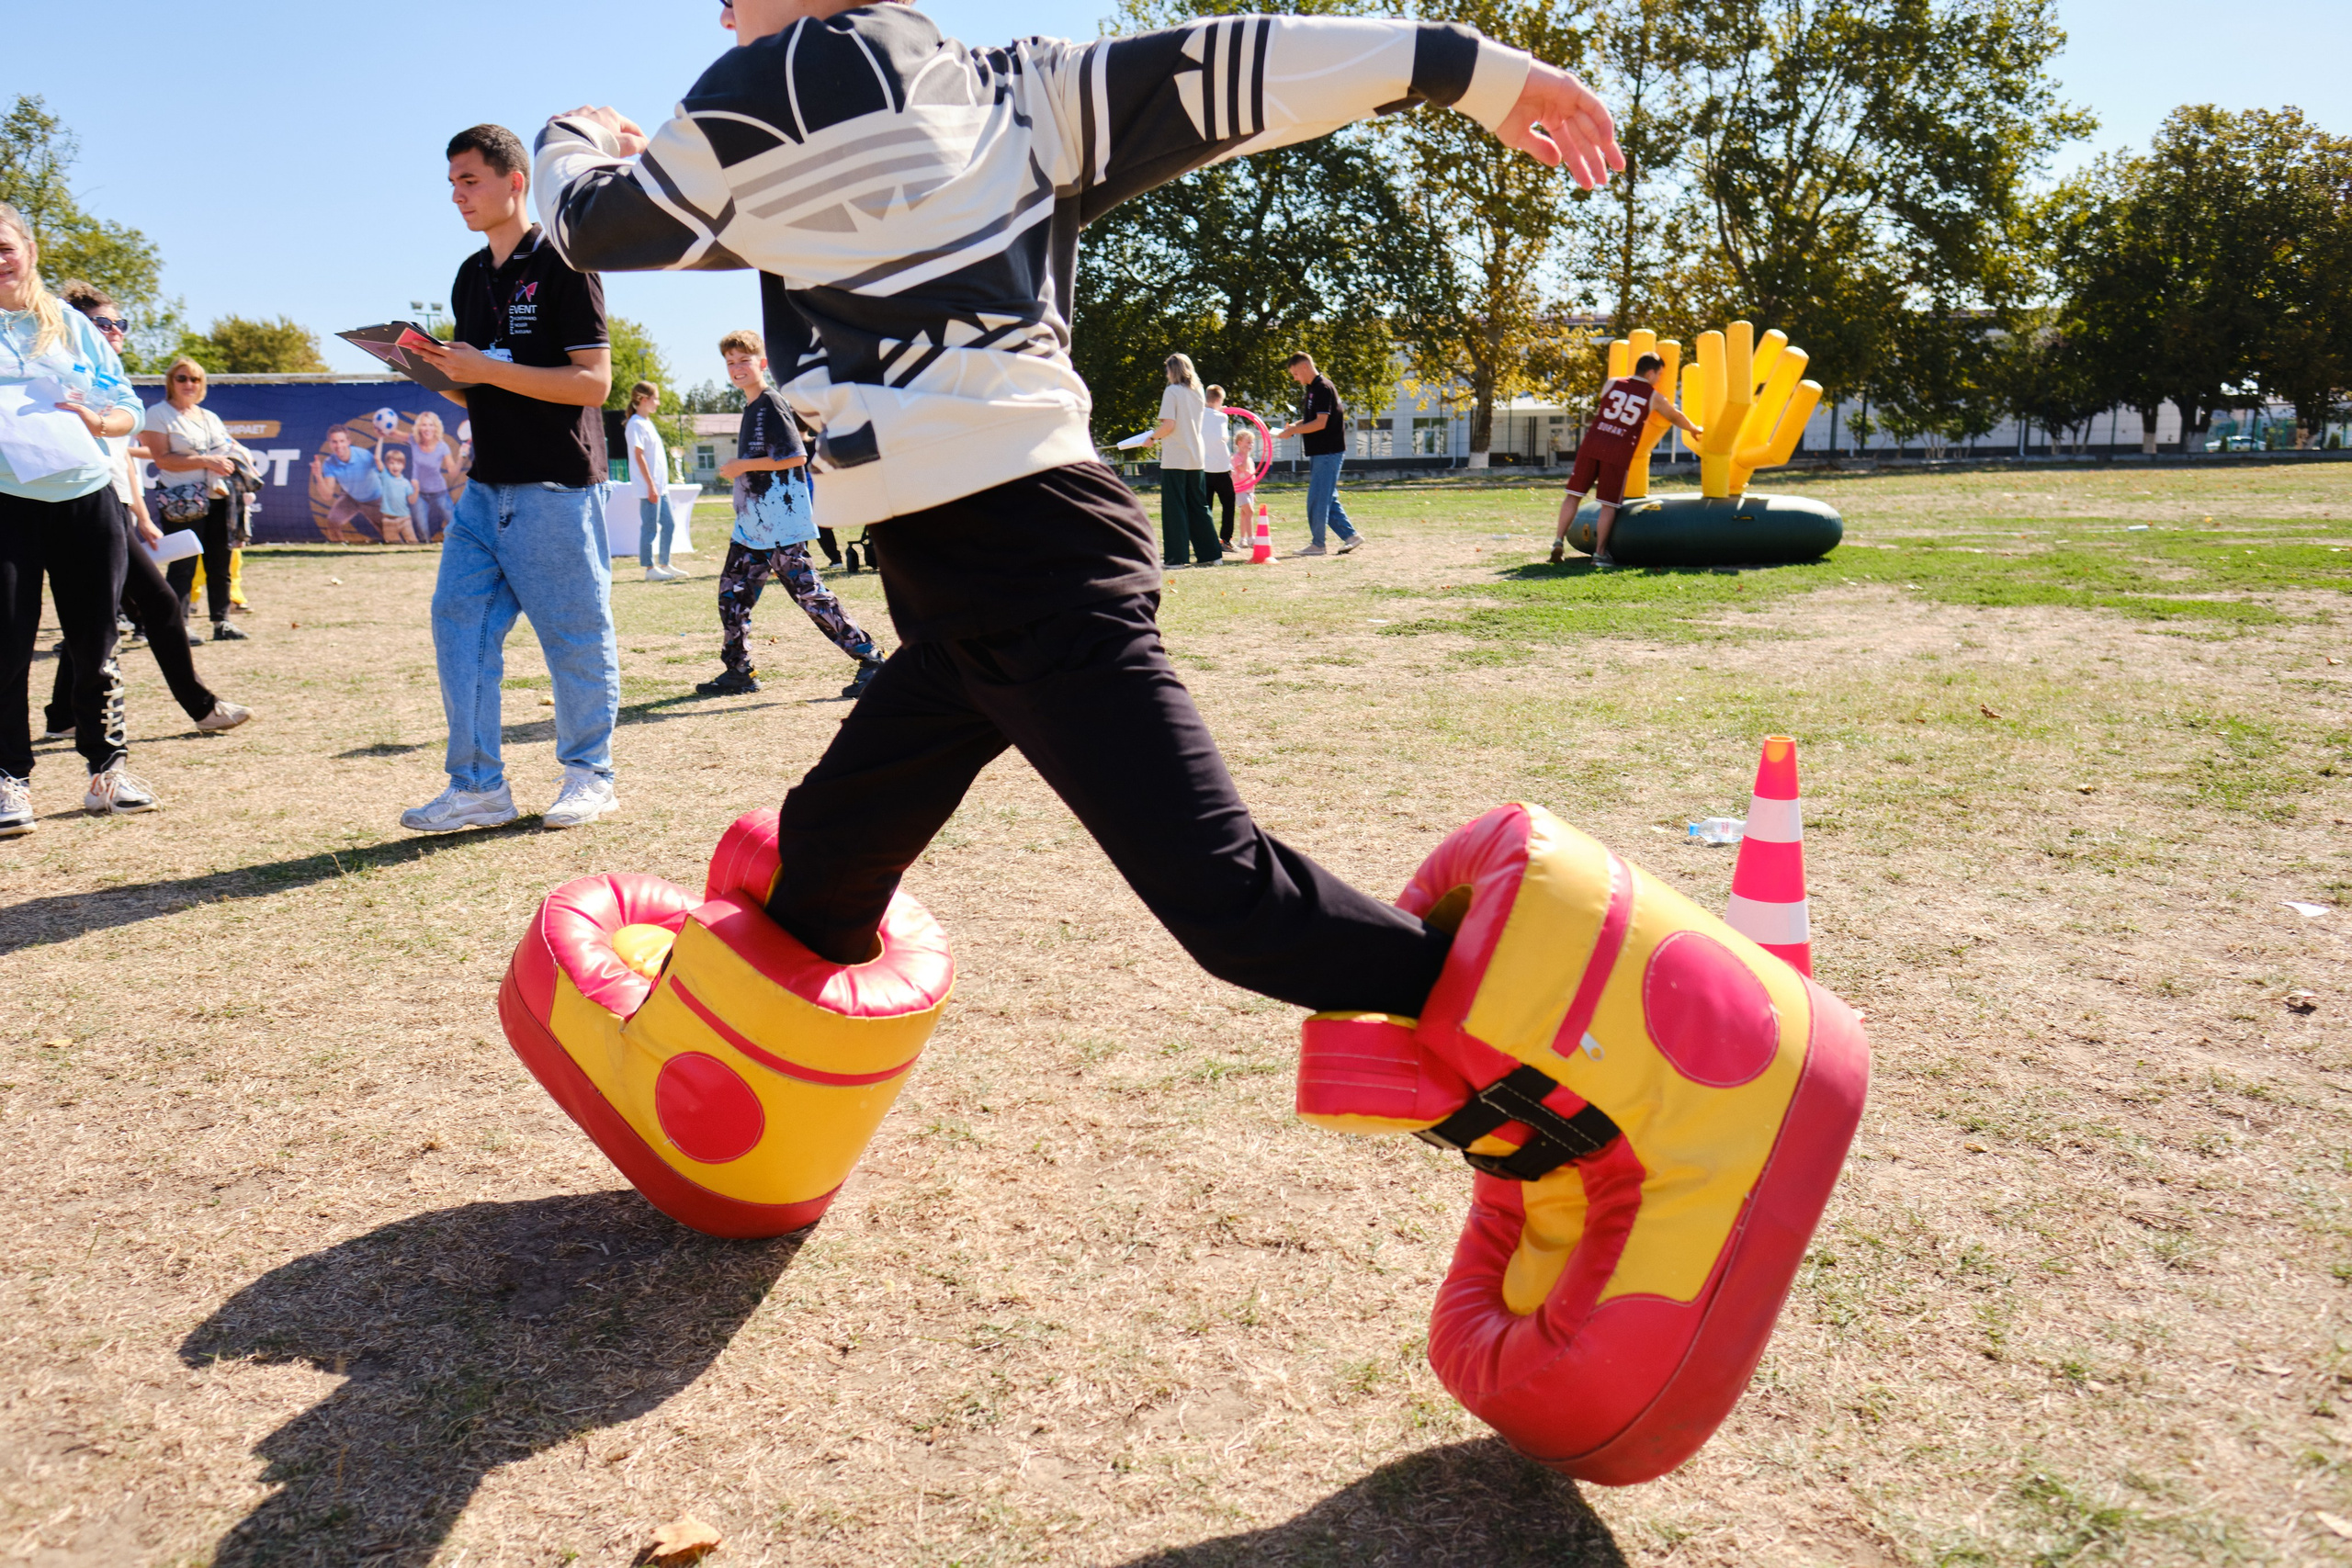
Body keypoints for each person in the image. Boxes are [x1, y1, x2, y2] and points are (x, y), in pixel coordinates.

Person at [534, 0, 1618, 999]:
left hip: (1016, 562)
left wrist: (572, 134)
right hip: (988, 568)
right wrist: (1477, 73)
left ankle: (1549, 1052)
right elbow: (1242, 65)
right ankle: (745, 1102)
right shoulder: (1014, 93)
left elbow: (586, 225)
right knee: (826, 854)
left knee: (1231, 902)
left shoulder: (757, 90)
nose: (719, 15)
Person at [398, 122, 619, 834]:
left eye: (470, 180)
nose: (458, 196)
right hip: (482, 490)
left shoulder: (565, 257)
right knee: (458, 630)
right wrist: (434, 372)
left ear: (514, 181)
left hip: (554, 487)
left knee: (574, 637)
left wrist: (486, 369)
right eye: (452, 183)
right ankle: (478, 787)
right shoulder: (470, 274)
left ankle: (591, 774)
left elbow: (594, 382)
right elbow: (483, 387)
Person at [0, 200, 158, 833]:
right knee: (7, 645)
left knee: (95, 643)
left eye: (5, 246)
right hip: (8, 502)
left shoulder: (71, 325)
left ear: (29, 249)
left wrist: (100, 421)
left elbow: (128, 407)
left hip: (87, 496)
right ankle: (10, 780)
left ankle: (106, 771)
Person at [41, 284, 251, 744]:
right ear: (75, 325)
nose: (115, 331)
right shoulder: (62, 380)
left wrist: (140, 514)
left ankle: (61, 715)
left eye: (121, 323)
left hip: (112, 508)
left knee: (101, 614)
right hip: (83, 509)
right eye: (104, 323)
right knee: (144, 607)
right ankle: (200, 706)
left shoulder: (107, 378)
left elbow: (125, 462)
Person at [695, 329, 884, 700]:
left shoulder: (770, 402)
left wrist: (742, 466)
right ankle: (738, 671)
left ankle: (872, 660)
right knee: (731, 596)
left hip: (780, 526)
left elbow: (796, 456)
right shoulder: (752, 406)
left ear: (761, 363)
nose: (737, 368)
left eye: (743, 361)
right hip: (752, 527)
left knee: (811, 596)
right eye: (730, 363)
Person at [1549, 350, 1700, 569]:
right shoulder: (1653, 396)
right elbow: (1674, 415)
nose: (1659, 379)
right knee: (1609, 505)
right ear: (1650, 373)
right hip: (1618, 449)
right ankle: (1600, 554)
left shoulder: (1611, 383)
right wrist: (1693, 429)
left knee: (1573, 495)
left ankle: (1558, 541)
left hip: (1593, 442)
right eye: (1658, 375)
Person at [142, 359, 250, 641]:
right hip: (183, 500)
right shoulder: (158, 414)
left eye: (195, 379)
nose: (189, 384)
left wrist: (238, 457)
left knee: (220, 562)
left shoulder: (209, 417)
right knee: (183, 564)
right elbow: (161, 458)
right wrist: (207, 461)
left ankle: (221, 622)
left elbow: (228, 446)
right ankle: (179, 624)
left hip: (218, 496)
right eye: (182, 378)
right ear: (171, 382)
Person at [1273, 352, 1361, 557]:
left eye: (1295, 373)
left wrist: (1293, 431)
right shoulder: (1313, 389)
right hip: (1322, 453)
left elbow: (1321, 424)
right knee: (1327, 498)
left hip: (1328, 452)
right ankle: (1351, 536)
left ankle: (1318, 545)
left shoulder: (1323, 388)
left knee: (1317, 500)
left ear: (1304, 367)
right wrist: (1295, 425)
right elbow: (1315, 419)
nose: (1295, 378)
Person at [1148, 354, 1217, 568]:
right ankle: (1212, 554)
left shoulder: (1172, 391)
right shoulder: (1198, 391)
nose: (1166, 374)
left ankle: (1176, 558)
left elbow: (1169, 425)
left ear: (1173, 370)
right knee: (1199, 506)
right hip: (1196, 457)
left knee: (1174, 509)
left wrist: (1151, 438)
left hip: (1175, 458)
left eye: (1167, 370)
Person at [625, 379, 684, 581]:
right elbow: (639, 456)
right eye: (655, 399)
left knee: (669, 524)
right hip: (649, 487)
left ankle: (665, 564)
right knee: (649, 526)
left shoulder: (647, 423)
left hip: (661, 487)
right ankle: (649, 568)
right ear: (644, 399)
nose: (658, 403)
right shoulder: (635, 424)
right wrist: (650, 485)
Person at [308, 426, 388, 545]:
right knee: (332, 521)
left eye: (342, 441)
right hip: (351, 497)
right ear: (330, 444)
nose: (339, 445)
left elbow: (385, 477)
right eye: (334, 442)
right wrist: (318, 476)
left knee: (389, 535)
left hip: (374, 499)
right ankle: (341, 550)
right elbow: (327, 495)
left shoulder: (364, 456)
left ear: (348, 442)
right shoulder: (329, 463)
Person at [408, 409, 461, 542]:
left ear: (436, 428)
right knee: (423, 532)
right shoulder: (413, 440)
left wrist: (461, 456)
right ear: (419, 427)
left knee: (455, 524)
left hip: (439, 492)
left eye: (431, 425)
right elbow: (391, 433)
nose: (427, 428)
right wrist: (382, 431)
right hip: (419, 493)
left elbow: (453, 473)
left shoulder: (442, 447)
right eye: (424, 424)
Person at [1203, 385, 1239, 555]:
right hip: (1221, 469)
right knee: (1228, 504)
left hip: (1203, 468)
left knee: (1206, 506)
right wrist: (1221, 412)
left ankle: (1207, 540)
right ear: (1219, 401)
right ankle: (1226, 539)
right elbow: (1223, 436)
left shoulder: (1199, 415)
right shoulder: (1222, 417)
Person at [376, 445, 420, 544]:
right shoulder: (385, 476)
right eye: (392, 463)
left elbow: (412, 501)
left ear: (403, 466)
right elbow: (377, 459)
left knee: (413, 544)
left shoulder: (406, 483)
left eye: (398, 463)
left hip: (405, 519)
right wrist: (381, 438)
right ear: (387, 465)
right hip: (388, 521)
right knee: (393, 547)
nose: (395, 466)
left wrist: (416, 489)